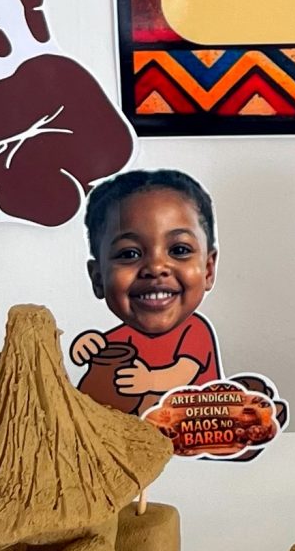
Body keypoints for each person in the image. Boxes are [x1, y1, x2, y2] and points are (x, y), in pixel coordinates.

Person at [71, 168, 222, 412]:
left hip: (193, 429)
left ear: (207, 270)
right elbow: (99, 372)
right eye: (129, 253)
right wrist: (88, 347)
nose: (156, 267)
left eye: (179, 250)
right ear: (98, 279)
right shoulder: (119, 342)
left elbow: (183, 372)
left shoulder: (194, 332)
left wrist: (150, 381)